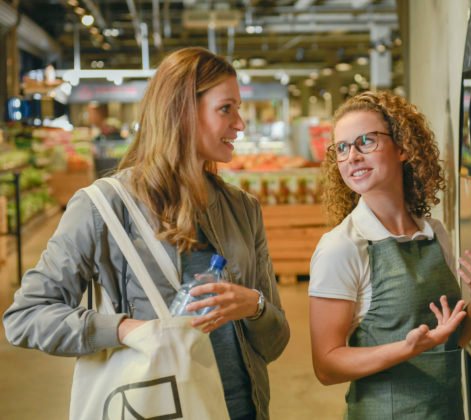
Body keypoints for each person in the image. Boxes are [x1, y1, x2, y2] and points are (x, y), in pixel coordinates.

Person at [3, 47, 290, 420]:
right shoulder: (103, 208)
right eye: (226, 109)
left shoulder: (243, 209)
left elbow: (276, 341)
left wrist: (254, 307)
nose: (241, 124)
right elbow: (25, 316)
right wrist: (123, 329)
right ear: (182, 111)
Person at [309, 91, 471, 419]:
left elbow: (450, 344)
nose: (351, 156)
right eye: (342, 147)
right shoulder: (342, 247)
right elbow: (326, 366)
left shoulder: (435, 233)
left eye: (366, 141)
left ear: (404, 148)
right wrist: (406, 349)